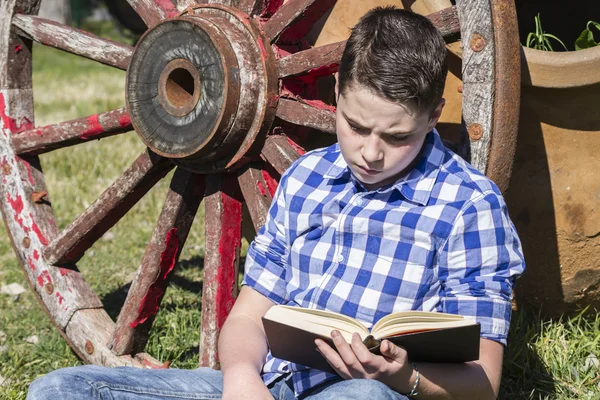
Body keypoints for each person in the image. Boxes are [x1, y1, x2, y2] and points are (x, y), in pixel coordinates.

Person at [27, 6, 524, 400]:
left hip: (370, 393)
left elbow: (482, 382)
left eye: (397, 137)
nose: (371, 153)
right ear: (337, 90)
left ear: (434, 115)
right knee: (62, 390)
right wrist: (242, 379)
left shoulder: (469, 205)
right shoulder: (307, 177)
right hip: (272, 386)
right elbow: (247, 316)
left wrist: (402, 375)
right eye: (355, 126)